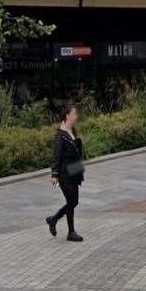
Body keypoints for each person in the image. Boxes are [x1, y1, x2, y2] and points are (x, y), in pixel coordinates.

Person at [46, 103, 85, 242]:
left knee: (72, 201)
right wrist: (54, 174)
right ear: (67, 115)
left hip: (74, 170)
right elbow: (57, 156)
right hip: (65, 174)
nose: (76, 116)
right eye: (74, 114)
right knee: (73, 201)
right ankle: (58, 221)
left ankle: (66, 229)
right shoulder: (60, 135)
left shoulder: (72, 131)